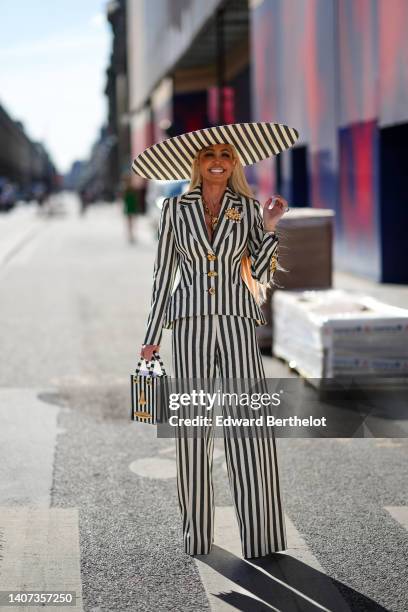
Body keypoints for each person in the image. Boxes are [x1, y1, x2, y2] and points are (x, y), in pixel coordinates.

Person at [134, 121, 299, 559]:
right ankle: (197, 536)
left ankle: (262, 538)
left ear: (234, 163)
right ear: (198, 163)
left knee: (250, 428)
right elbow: (161, 276)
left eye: (226, 156)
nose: (219, 162)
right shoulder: (174, 210)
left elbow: (260, 272)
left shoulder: (245, 208)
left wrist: (268, 224)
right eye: (210, 156)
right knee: (192, 430)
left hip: (237, 322)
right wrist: (151, 335)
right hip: (188, 325)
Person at [121, 175, 141, 243]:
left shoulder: (128, 189)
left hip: (131, 206)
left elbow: (134, 198)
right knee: (131, 222)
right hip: (130, 206)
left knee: (131, 222)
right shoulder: (128, 189)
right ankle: (131, 235)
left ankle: (131, 235)